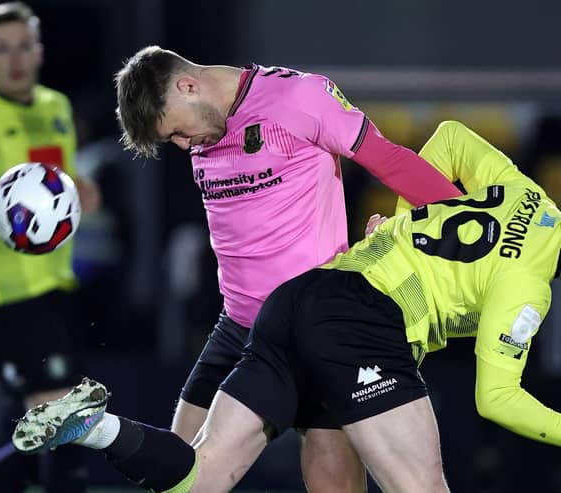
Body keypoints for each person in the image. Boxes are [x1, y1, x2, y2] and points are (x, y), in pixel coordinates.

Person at [12, 120, 561, 492]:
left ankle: (95, 428)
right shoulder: (529, 284)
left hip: (297, 298)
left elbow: (448, 138)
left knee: (200, 481)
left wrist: (403, 225)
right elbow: (497, 399)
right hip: (363, 324)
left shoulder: (530, 195)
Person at [113, 45, 462, 492]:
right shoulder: (204, 128)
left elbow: (390, 160)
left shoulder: (299, 98)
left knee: (333, 481)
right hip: (237, 325)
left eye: (178, 132)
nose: (183, 146)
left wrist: (467, 218)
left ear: (187, 86)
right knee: (178, 476)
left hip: (314, 326)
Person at [0, 3, 100, 492]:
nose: (13, 59)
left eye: (22, 46)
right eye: (1, 49)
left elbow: (54, 184)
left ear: (38, 52)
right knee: (67, 421)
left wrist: (81, 190)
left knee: (47, 436)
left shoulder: (55, 107)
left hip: (58, 283)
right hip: (6, 294)